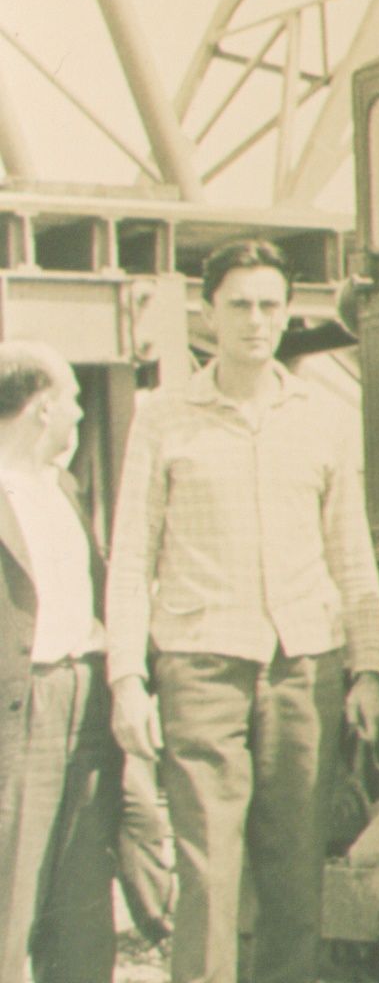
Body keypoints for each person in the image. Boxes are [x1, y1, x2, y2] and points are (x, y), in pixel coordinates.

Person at [106, 238, 379, 983]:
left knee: (296, 871)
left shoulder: (322, 417)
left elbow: (351, 549)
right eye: (238, 305)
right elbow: (131, 553)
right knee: (207, 868)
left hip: (304, 665)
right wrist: (126, 679)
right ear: (208, 313)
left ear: (288, 311)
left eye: (269, 305)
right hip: (201, 663)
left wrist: (368, 667)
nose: (255, 321)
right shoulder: (165, 416)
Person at [0, 341, 120, 983]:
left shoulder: (63, 488)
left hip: (87, 702)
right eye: (73, 399)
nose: (80, 413)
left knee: (81, 903)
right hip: (24, 706)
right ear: (43, 406)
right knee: (11, 893)